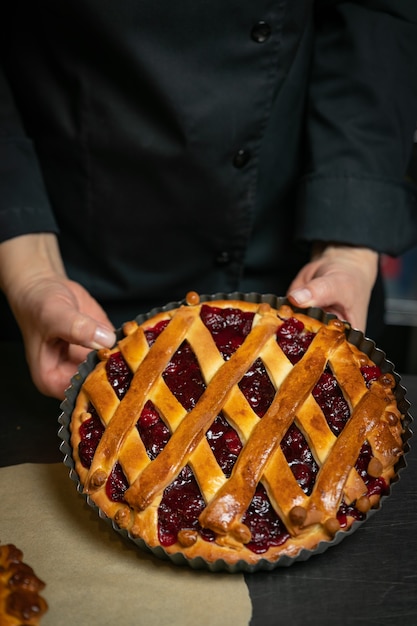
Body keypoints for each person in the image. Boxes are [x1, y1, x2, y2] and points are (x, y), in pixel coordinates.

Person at [1, 1, 417, 400]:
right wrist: (29, 268)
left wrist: (347, 246)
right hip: (72, 268)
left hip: (301, 255)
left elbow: (372, 15)